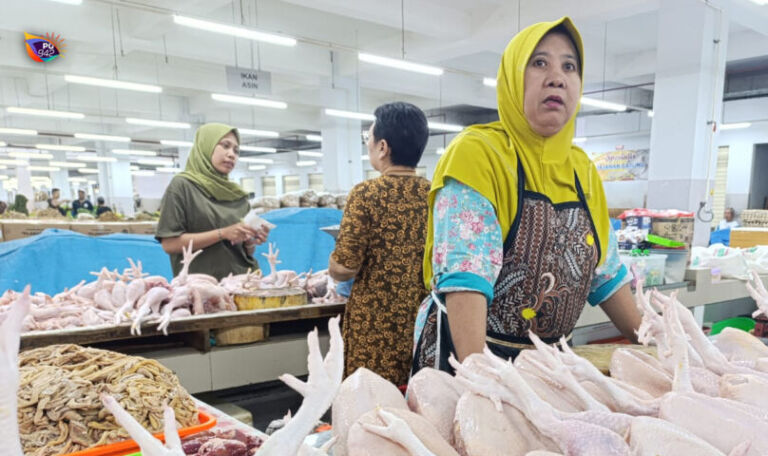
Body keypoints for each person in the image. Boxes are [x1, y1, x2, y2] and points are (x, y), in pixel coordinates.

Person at [412, 17, 643, 375]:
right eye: (539, 63)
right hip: (467, 359)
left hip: (547, 366)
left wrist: (659, 346)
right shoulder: (478, 153)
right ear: (513, 77)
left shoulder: (582, 168)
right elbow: (465, 279)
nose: (557, 77)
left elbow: (607, 275)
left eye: (569, 66)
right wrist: (482, 383)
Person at [328, 102, 431, 386]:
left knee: (370, 402)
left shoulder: (366, 194)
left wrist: (334, 263)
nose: (369, 145)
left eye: (369, 139)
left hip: (375, 327)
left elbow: (344, 267)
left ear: (383, 147)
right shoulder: (434, 193)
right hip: (422, 322)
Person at [156, 123, 269, 280]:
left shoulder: (237, 194)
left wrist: (250, 240)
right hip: (202, 288)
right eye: (225, 146)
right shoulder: (182, 186)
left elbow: (245, 251)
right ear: (206, 146)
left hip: (243, 283)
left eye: (236, 151)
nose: (232, 155)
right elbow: (169, 244)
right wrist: (222, 233)